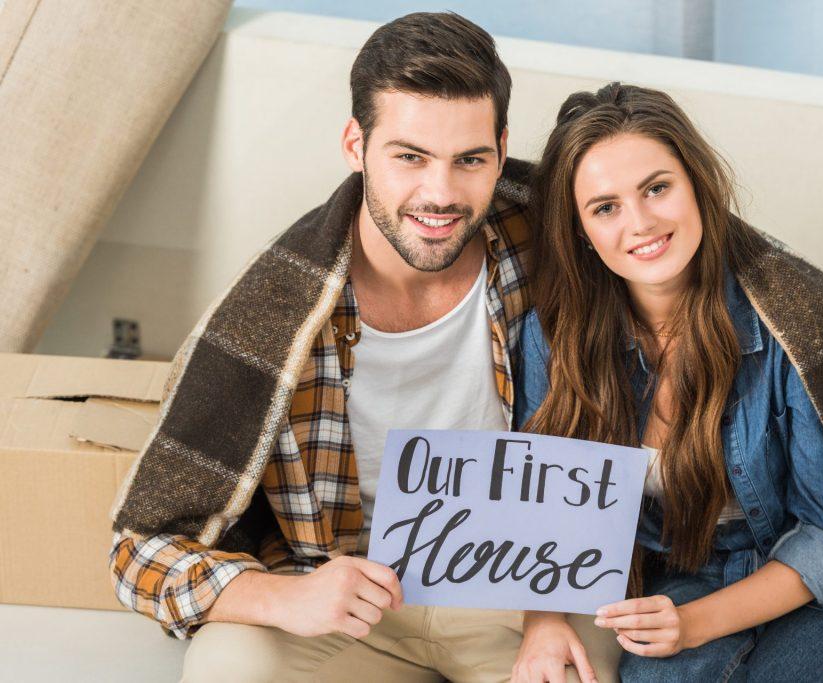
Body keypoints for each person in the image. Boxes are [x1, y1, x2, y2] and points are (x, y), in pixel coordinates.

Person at [107, 12, 618, 682]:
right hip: (354, 595)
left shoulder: (549, 223)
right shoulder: (270, 313)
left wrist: (548, 610)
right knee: (228, 671)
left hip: (525, 589)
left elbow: (695, 233)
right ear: (356, 144)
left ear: (500, 147)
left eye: (469, 160)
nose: (440, 194)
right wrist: (286, 595)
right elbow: (138, 549)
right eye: (409, 156)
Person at [511, 83, 823, 682]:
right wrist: (542, 621)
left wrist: (692, 625)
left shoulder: (794, 320)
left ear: (697, 184)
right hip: (683, 572)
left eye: (656, 188)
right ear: (580, 231)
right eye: (606, 207)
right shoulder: (557, 335)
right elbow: (538, 500)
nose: (641, 223)